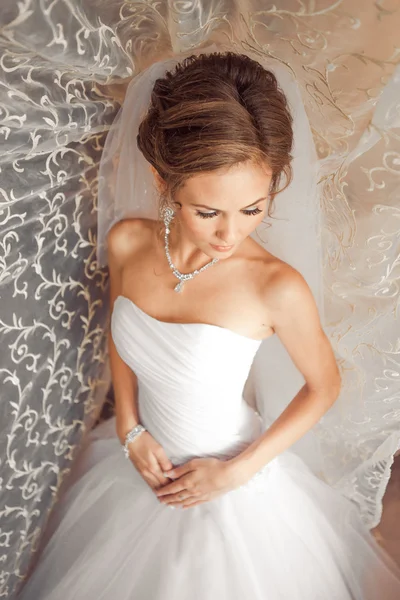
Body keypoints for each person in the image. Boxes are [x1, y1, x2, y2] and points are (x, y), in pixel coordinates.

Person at [17, 50, 400, 600]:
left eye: (253, 208)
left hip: (233, 483)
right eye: (207, 212)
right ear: (162, 179)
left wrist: (236, 473)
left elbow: (325, 385)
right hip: (137, 465)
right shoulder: (128, 241)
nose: (230, 234)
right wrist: (129, 427)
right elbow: (121, 339)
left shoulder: (275, 286)